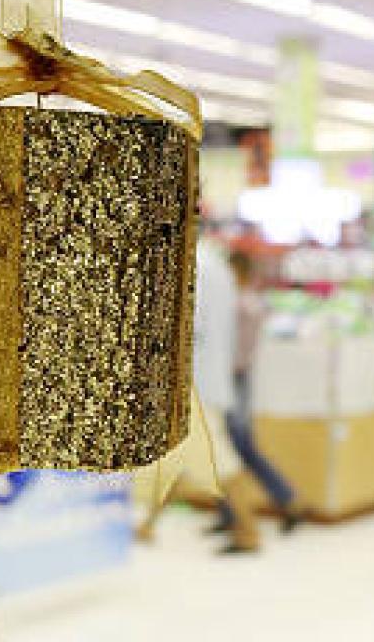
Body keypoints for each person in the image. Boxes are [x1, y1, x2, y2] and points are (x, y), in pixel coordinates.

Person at [135, 235, 266, 553]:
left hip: (197, 385)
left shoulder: (195, 266)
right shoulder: (215, 266)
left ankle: (248, 532)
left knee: (220, 460)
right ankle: (147, 525)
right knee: (175, 459)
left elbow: (189, 328)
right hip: (205, 379)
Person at [210, 249, 302, 534]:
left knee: (237, 446)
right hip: (238, 379)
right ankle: (231, 511)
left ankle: (286, 498)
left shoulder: (239, 305)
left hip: (230, 380)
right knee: (228, 447)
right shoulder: (252, 303)